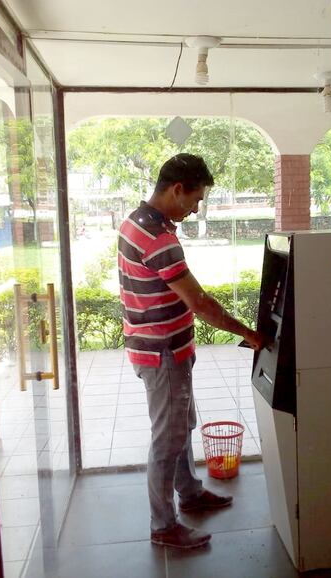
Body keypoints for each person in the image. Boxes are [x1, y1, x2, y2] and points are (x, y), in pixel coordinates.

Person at [117, 153, 266, 549]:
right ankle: (163, 526)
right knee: (167, 438)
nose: (197, 207)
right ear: (177, 189)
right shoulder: (158, 237)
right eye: (196, 199)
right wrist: (249, 334)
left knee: (181, 426)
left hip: (166, 348)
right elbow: (199, 302)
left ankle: (190, 492)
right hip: (161, 353)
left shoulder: (139, 220)